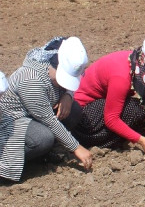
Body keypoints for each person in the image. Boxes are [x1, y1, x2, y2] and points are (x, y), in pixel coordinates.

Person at [0, 37, 92, 182]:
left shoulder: (52, 70)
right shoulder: (31, 80)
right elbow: (49, 120)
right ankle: (8, 163)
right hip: (15, 119)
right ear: (53, 66)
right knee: (43, 138)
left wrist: (68, 95)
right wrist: (76, 147)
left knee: (73, 110)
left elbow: (73, 84)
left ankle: (42, 154)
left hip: (37, 114)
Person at [73, 36, 145, 157]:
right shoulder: (122, 76)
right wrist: (141, 140)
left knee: (139, 109)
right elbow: (111, 119)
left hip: (97, 106)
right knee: (135, 109)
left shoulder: (138, 64)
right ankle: (106, 140)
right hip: (82, 120)